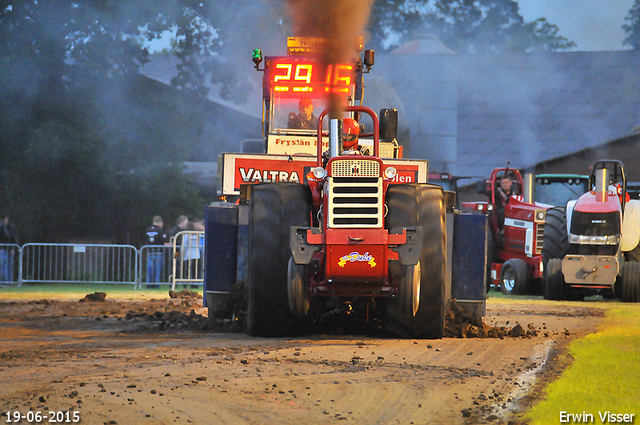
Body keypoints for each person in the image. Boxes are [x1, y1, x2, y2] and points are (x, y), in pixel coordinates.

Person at [144, 215, 167, 287]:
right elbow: (163, 241)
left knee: (149, 269)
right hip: (158, 252)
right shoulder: (160, 230)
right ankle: (156, 284)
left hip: (150, 251)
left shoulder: (148, 229)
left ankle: (148, 283)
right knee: (157, 269)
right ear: (160, 222)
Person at [0, 214, 19, 283]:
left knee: (9, 266)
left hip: (9, 248)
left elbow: (14, 238)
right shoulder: (2, 226)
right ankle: (4, 281)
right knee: (3, 265)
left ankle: (8, 282)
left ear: (7, 219)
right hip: (2, 248)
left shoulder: (11, 227)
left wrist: (13, 248)